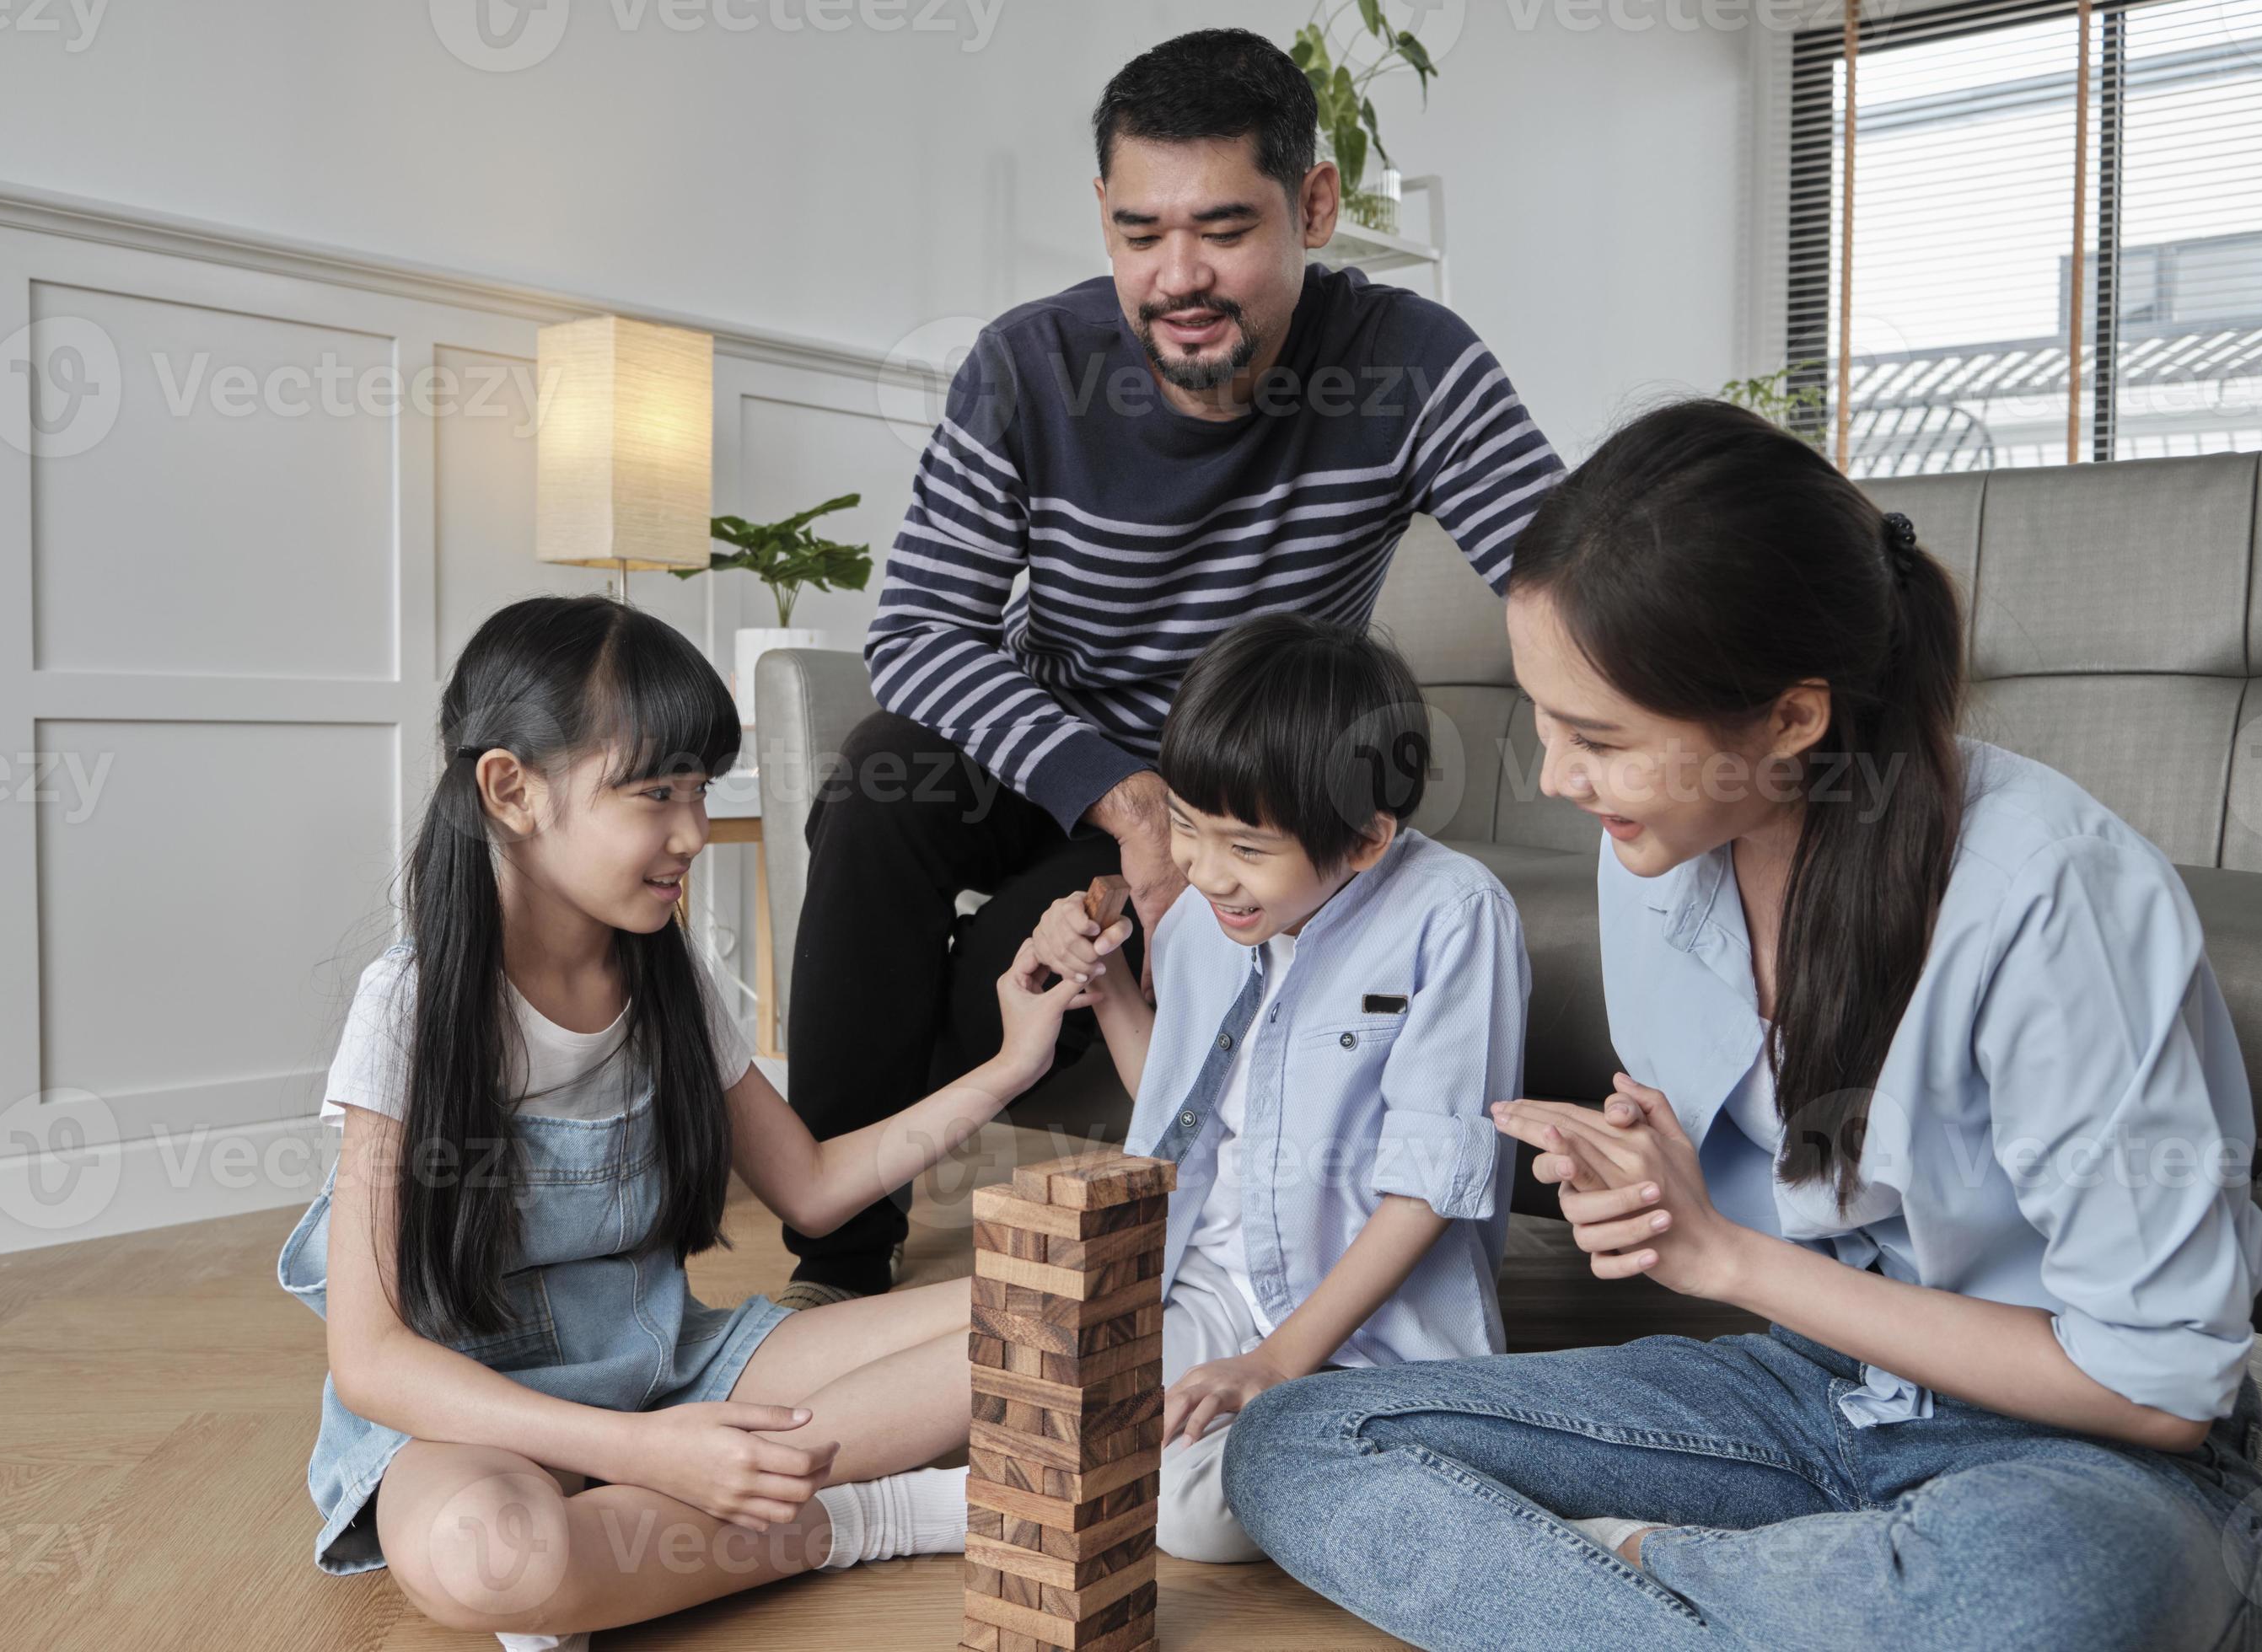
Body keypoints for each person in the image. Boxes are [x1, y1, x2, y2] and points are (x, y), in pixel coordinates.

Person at [1219, 400, 2262, 1650]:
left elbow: (2157, 1390)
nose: (1557, 778)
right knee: (1300, 1437)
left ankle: (1650, 1585)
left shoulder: (2051, 895)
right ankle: (1776, 1596)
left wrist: (1722, 1257)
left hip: (2091, 1462)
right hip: (1814, 1400)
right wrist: (1637, 1182)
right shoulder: (1656, 855)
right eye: (1547, 721)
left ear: (1791, 719)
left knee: (2045, 1602)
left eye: (1600, 739)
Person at [780, 26, 1562, 1309]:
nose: (1178, 276)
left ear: (1316, 206)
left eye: (1224, 229)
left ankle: (883, 1139)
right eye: (1141, 233)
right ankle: (836, 1261)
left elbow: (1563, 578)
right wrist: (1121, 798)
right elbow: (918, 633)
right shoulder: (1029, 366)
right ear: (1100, 216)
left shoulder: (1411, 365)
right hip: (1057, 747)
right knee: (878, 782)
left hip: (1227, 790)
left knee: (1015, 976)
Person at [274, 595, 1095, 1649]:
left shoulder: (665, 980)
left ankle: (626, 1555)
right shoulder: (413, 1007)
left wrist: (1013, 1060)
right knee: (491, 1554)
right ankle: (864, 1517)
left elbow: (810, 1184)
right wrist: (643, 1453)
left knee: (1041, 1315)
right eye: (655, 792)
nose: (694, 832)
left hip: (674, 1366)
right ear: (511, 789)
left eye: (699, 790)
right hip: (475, 1411)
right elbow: (374, 1359)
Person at [1029, 613, 1526, 1564]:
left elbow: (1427, 1186)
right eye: (1183, 825)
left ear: (1368, 838)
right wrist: (1106, 993)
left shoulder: (1455, 916)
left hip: (1363, 1320)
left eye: (1246, 848)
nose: (1206, 872)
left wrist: (1275, 1361)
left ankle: (1425, 1450)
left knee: (1190, 1518)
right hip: (1212, 1276)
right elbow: (1177, 1105)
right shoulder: (1197, 919)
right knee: (1067, 1410)